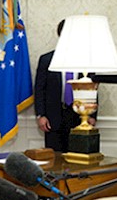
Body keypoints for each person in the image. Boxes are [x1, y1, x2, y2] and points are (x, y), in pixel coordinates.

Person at [34, 20, 95, 152]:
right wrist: (40, 115)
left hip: (79, 117)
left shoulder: (86, 61)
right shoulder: (47, 60)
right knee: (54, 159)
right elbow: (39, 89)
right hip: (53, 118)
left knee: (78, 157)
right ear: (60, 35)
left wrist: (92, 116)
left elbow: (92, 89)